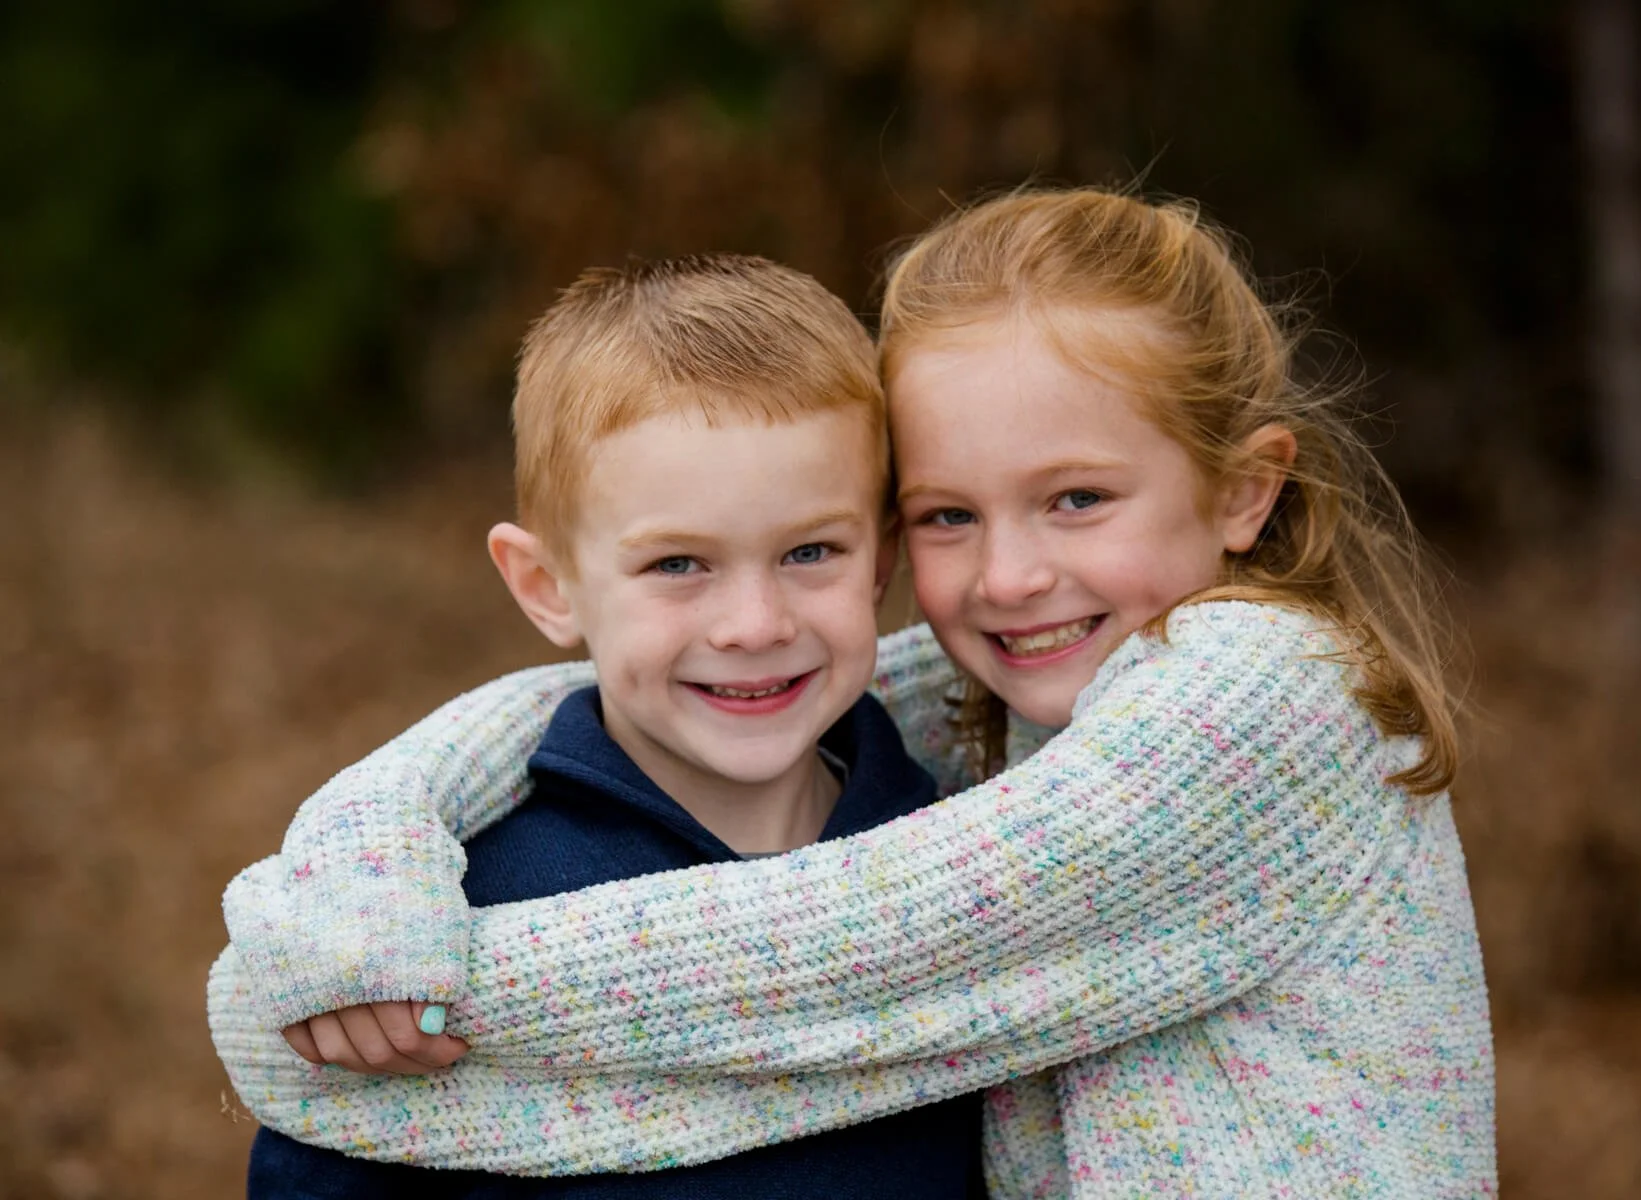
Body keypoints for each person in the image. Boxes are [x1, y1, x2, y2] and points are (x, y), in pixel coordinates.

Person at [211, 188, 1496, 1198]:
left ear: (1243, 491)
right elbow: (593, 694)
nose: (1009, 576)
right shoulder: (1044, 700)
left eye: (1079, 498)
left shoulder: (1256, 704)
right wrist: (362, 859)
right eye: (948, 514)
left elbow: (830, 956)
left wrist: (306, 1013)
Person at [217, 252, 988, 1196]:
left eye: (810, 551)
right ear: (548, 586)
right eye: (677, 564)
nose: (755, 624)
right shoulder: (448, 914)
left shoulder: (963, 843)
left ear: (881, 560)